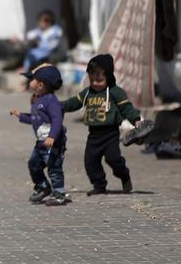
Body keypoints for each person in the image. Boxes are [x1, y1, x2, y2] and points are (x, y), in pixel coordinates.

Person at [61, 54, 142, 195]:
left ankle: (124, 175)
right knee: (90, 162)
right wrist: (58, 106)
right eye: (92, 80)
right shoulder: (88, 93)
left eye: (99, 80)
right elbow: (74, 102)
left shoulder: (116, 92)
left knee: (113, 159)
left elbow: (127, 108)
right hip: (94, 135)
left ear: (108, 77)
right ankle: (99, 185)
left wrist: (136, 120)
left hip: (110, 134)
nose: (95, 83)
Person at [9, 63, 70, 206]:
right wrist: (20, 115)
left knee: (54, 168)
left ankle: (59, 193)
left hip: (53, 142)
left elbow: (57, 121)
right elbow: (34, 119)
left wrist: (52, 137)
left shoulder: (51, 102)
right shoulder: (38, 100)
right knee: (34, 164)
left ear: (41, 85)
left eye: (32, 80)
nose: (30, 82)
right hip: (41, 143)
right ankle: (43, 186)